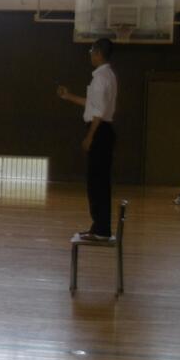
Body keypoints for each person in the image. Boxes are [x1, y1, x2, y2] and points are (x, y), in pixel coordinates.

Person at [57, 38, 118, 240]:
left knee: (96, 183)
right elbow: (93, 104)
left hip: (99, 132)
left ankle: (101, 230)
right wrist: (68, 96)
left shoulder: (101, 78)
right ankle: (99, 227)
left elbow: (98, 112)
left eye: (91, 50)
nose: (90, 54)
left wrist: (90, 136)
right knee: (98, 182)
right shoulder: (108, 75)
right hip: (104, 131)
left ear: (98, 53)